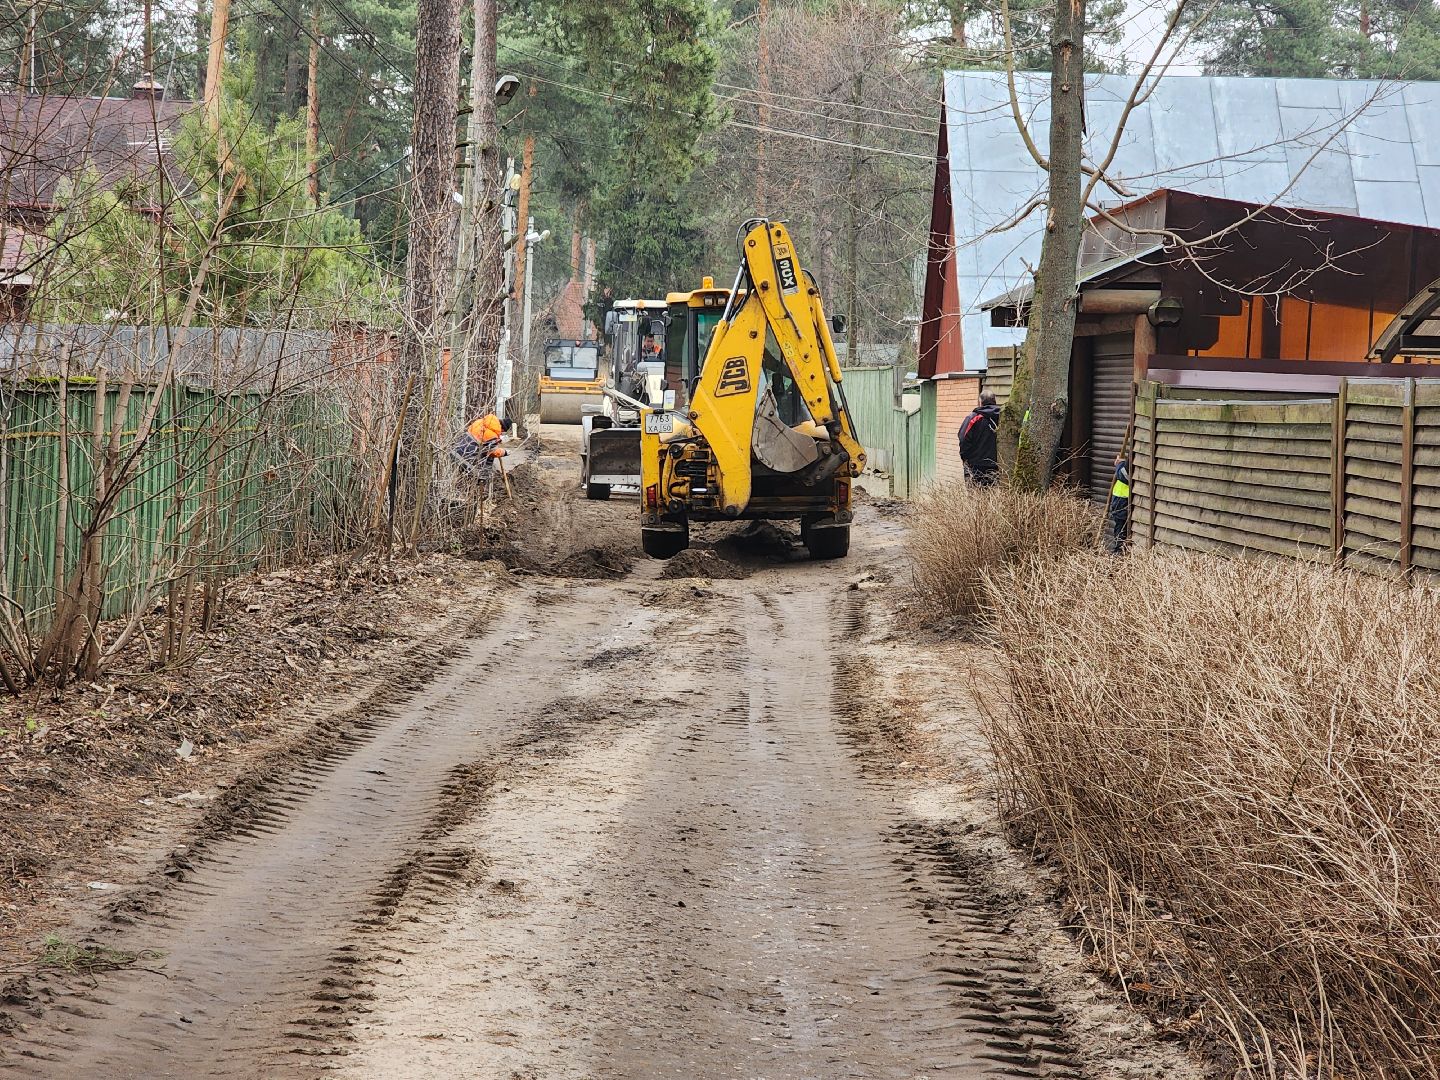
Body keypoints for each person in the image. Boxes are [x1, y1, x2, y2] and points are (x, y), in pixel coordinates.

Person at [958, 390, 1002, 486]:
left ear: (980, 402)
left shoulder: (973, 418)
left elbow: (963, 439)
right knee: (994, 495)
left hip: (975, 464)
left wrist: (964, 457)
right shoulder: (1004, 417)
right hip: (998, 464)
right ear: (995, 401)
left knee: (976, 494)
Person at [1107, 452, 1131, 553]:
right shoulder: (1131, 459)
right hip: (1121, 498)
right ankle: (1119, 549)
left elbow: (1123, 474)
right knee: (1120, 525)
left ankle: (1119, 550)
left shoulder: (1131, 459)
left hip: (1122, 499)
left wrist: (1119, 464)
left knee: (1121, 526)